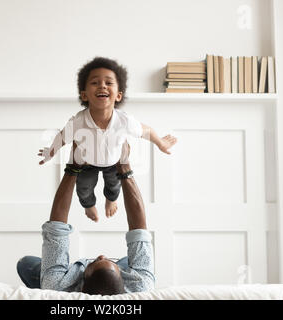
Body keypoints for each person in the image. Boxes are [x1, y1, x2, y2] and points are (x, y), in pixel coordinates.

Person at [38, 56, 176, 222]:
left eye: (108, 83)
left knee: (114, 186)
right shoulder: (78, 121)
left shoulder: (124, 121)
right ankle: (89, 206)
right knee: (83, 189)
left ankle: (110, 201)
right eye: (95, 82)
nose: (102, 85)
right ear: (84, 95)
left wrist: (160, 142)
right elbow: (61, 137)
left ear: (118, 95)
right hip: (86, 163)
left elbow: (145, 130)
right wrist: (50, 152)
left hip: (113, 163)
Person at [17, 143, 155, 294]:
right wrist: (124, 167)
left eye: (97, 260)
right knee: (132, 260)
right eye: (106, 260)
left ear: (81, 285)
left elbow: (57, 228)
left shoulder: (57, 287)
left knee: (25, 264)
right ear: (123, 280)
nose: (101, 255)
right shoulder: (141, 286)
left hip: (66, 280)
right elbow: (139, 230)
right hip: (118, 276)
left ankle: (90, 269)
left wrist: (73, 167)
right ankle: (114, 266)